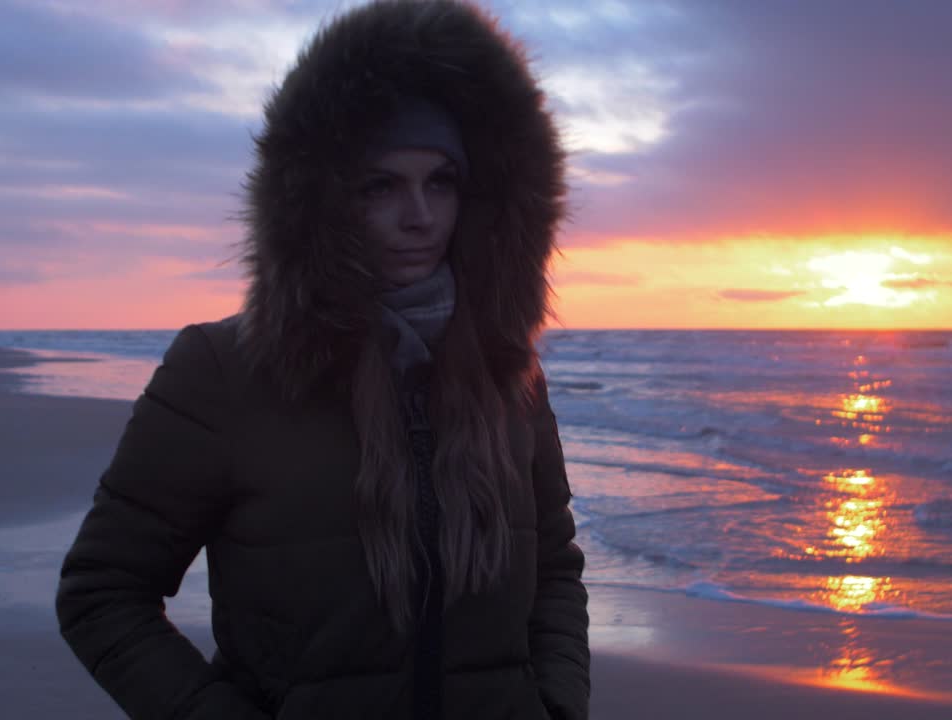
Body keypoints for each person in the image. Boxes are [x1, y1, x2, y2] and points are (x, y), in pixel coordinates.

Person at [54, 1, 590, 718]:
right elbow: (102, 592)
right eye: (381, 186)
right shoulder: (223, 372)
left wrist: (557, 705)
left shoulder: (508, 375)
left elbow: (554, 571)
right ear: (322, 203)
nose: (419, 215)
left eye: (441, 181)